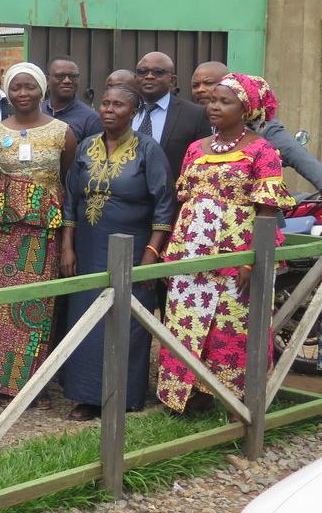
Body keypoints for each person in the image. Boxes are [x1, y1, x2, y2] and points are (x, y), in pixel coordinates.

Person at [157, 73, 294, 414]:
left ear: (246, 109)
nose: (214, 106)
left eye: (224, 101)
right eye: (213, 100)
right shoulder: (195, 148)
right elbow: (185, 201)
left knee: (231, 325)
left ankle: (236, 402)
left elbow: (267, 210)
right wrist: (173, 252)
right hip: (191, 250)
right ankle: (189, 396)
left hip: (237, 252)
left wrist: (251, 260)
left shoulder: (262, 150)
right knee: (185, 322)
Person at [59, 83, 174, 420]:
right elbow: (71, 198)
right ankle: (85, 395)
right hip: (88, 248)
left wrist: (152, 252)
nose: (109, 110)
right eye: (105, 103)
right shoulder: (86, 146)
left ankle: (123, 395)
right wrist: (67, 245)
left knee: (126, 320)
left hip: (133, 249)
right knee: (86, 318)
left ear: (133, 112)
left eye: (118, 105)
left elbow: (164, 204)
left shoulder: (148, 150)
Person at [0, 62, 76, 406]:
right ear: (7, 91)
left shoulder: (62, 132)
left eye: (29, 87)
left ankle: (33, 386)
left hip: (44, 235)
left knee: (37, 308)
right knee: (5, 309)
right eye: (16, 87)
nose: (22, 93)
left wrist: (68, 240)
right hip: (6, 234)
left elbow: (69, 186)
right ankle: (1, 383)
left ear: (41, 90)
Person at [194, 62, 322, 191]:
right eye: (195, 85)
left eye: (208, 83)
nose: (200, 90)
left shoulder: (262, 128)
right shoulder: (190, 120)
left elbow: (301, 159)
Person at [132, 52, 212, 189]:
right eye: (142, 72)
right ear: (135, 78)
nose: (149, 76)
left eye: (158, 72)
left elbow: (202, 165)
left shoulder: (195, 115)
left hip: (172, 196)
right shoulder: (123, 111)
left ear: (172, 80)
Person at [41, 56, 103, 142]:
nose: (67, 81)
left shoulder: (92, 120)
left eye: (73, 76)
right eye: (60, 76)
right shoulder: (38, 111)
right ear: (47, 79)